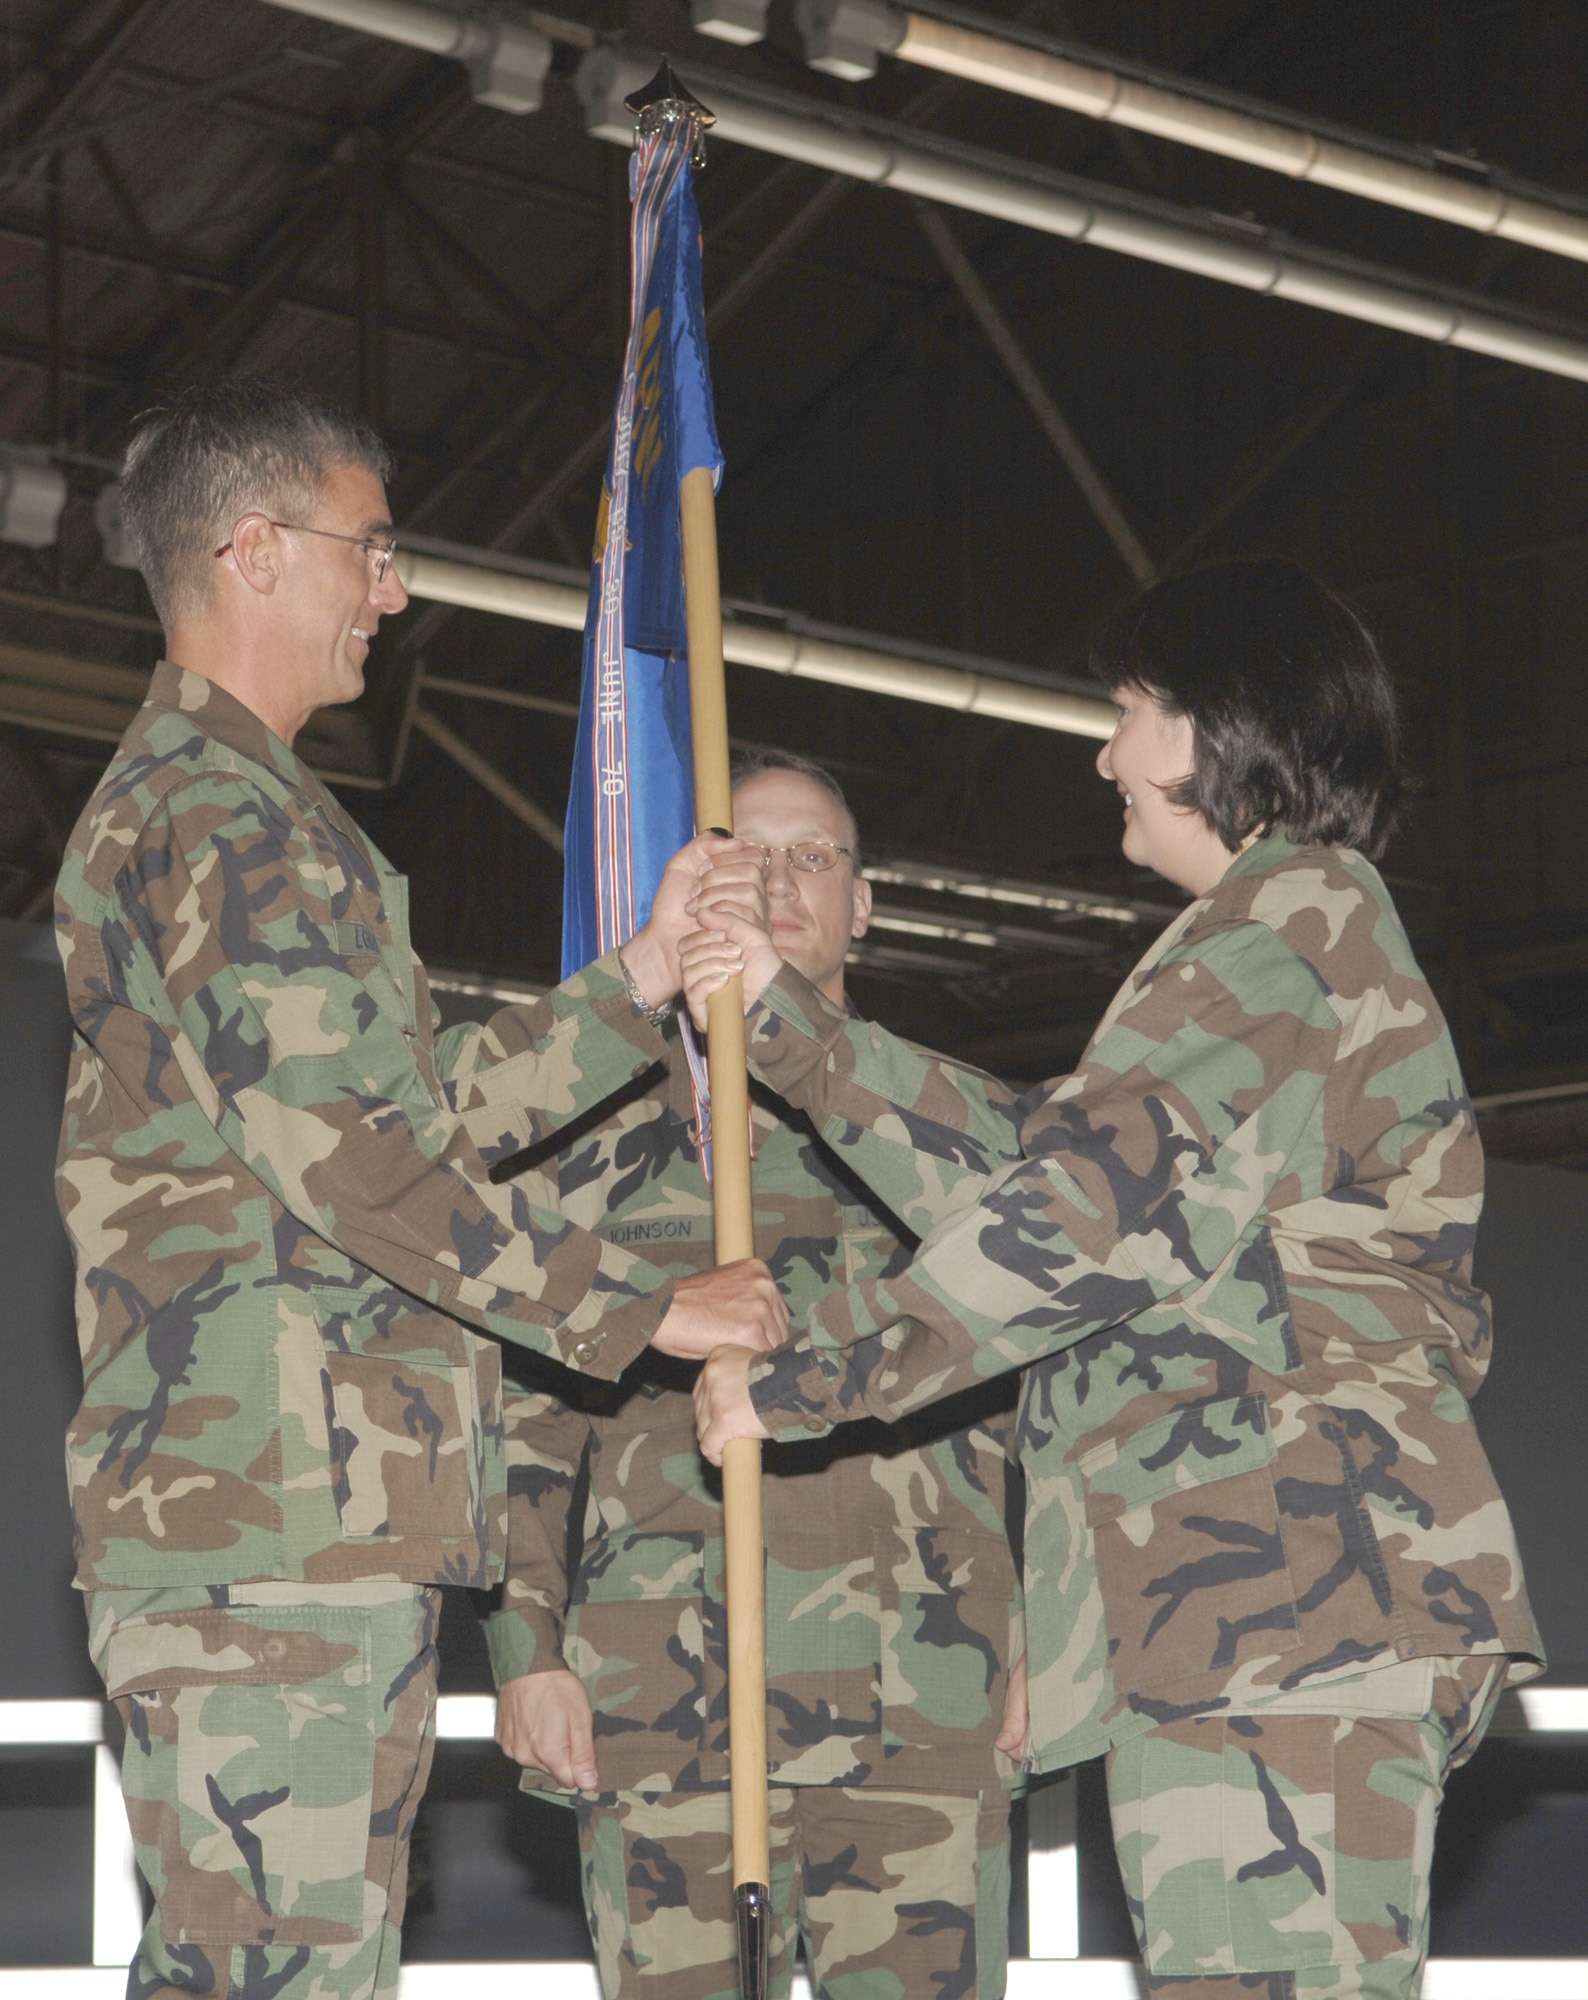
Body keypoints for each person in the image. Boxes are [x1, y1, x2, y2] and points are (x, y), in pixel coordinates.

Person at [692, 560, 1544, 2000]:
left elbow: (1078, 1222)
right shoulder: (1278, 936)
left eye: (1129, 713)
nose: (1104, 754)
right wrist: (790, 1035)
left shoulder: (1282, 930)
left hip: (1288, 1601)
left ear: (1225, 726)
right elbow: (1050, 1160)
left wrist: (796, 1386)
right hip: (1259, 1604)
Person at [53, 379, 787, 2000]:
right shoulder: (217, 817)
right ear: (254, 551)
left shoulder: (251, 816)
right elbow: (366, 1165)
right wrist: (644, 1303)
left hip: (295, 1512)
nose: (394, 591)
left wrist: (638, 977)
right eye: (370, 551)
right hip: (264, 1522)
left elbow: (397, 1111)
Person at [487, 750, 1030, 2000]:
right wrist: (526, 1648)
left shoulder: (949, 1135)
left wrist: (1052, 1631)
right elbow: (524, 1423)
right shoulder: (597, 1155)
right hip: (667, 1708)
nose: (780, 881)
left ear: (864, 904)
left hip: (920, 1702)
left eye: (814, 856)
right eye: (747, 855)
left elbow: (1045, 1395)